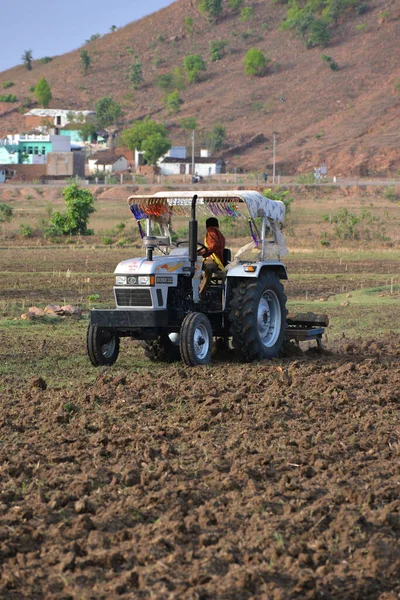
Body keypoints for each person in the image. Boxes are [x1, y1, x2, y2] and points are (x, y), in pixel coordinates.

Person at [199, 217, 226, 295]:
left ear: (207, 226)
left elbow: (214, 245)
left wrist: (202, 252)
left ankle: (200, 290)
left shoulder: (211, 230)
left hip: (213, 259)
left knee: (208, 267)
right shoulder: (220, 234)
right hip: (218, 260)